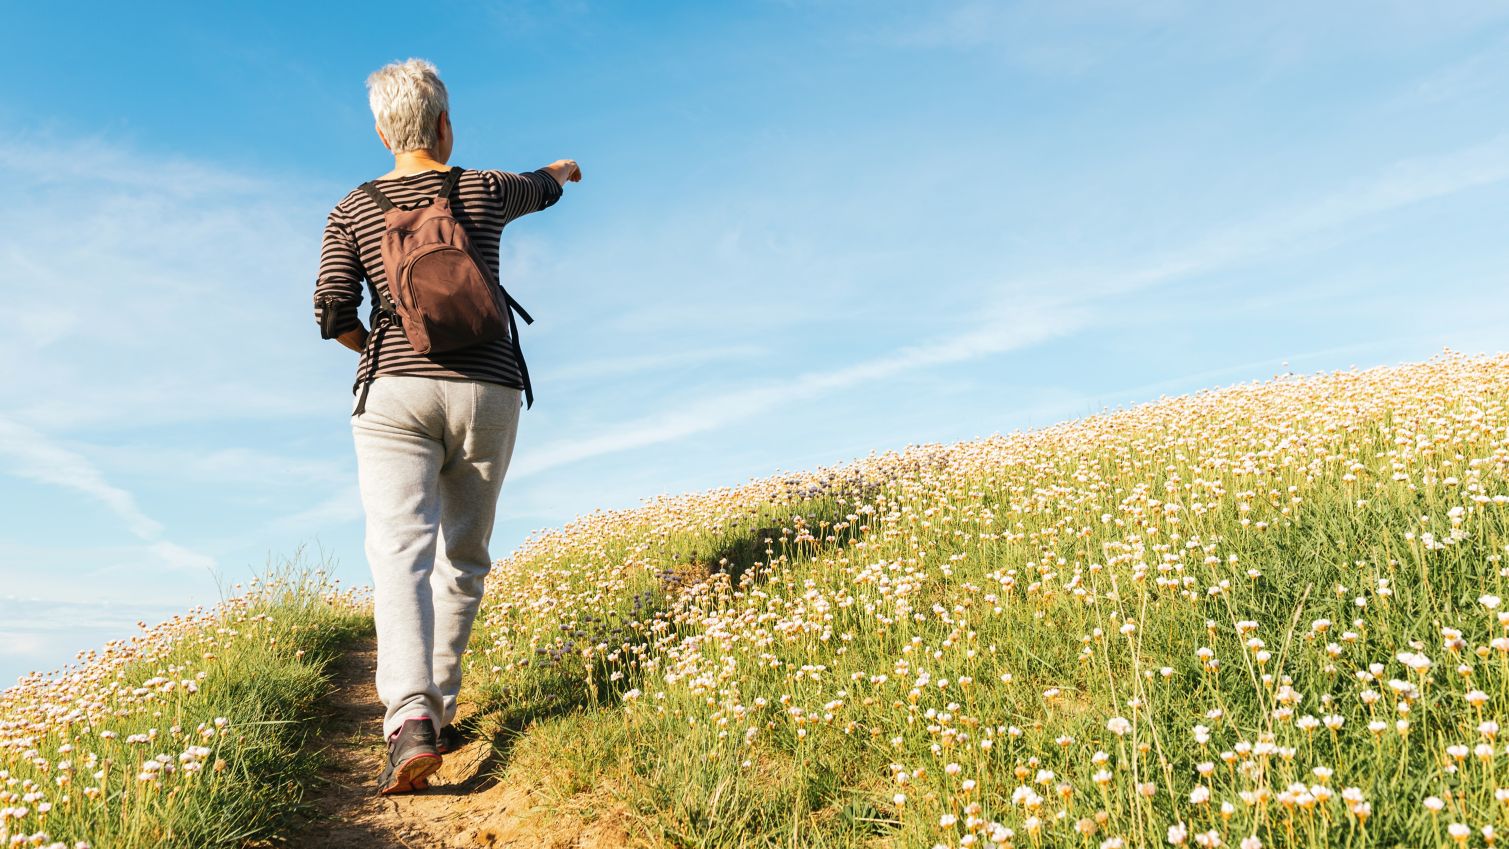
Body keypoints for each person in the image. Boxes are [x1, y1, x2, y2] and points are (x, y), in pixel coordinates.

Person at [312, 57, 580, 796]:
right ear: (444, 123)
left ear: (379, 131)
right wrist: (563, 168)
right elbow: (546, 185)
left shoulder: (353, 206)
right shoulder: (485, 189)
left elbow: (332, 309)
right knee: (464, 552)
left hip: (394, 394)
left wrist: (385, 356)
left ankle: (409, 721)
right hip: (487, 389)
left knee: (400, 553)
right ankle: (444, 704)